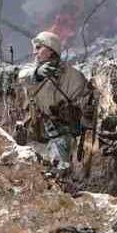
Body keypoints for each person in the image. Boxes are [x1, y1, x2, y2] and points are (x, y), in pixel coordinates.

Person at [17, 30, 95, 174]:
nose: (35, 52)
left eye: (39, 48)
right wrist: (38, 73)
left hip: (61, 135)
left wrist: (84, 111)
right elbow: (22, 76)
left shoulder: (72, 76)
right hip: (37, 133)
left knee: (58, 168)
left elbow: (86, 98)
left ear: (51, 50)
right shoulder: (32, 71)